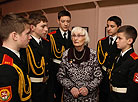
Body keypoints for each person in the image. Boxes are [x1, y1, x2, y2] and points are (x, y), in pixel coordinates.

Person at [57, 27, 102, 102]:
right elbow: (60, 75)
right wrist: (71, 87)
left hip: (89, 98)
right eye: (73, 36)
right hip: (70, 97)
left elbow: (98, 76)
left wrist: (88, 88)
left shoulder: (93, 54)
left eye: (79, 36)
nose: (75, 38)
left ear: (85, 38)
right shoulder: (66, 54)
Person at [20, 13, 53, 102]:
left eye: (46, 26)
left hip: (47, 85)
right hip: (34, 87)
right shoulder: (26, 45)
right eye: (43, 26)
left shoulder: (46, 43)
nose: (46, 29)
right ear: (32, 27)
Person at [0, 14, 32, 101]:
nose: (30, 37)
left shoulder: (19, 54)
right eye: (27, 33)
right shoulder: (5, 67)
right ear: (14, 36)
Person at [47, 10, 73, 102]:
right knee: (56, 96)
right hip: (55, 69)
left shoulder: (73, 35)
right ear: (58, 21)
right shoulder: (51, 36)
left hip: (70, 69)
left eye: (68, 21)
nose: (66, 24)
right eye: (63, 21)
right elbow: (49, 56)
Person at [109, 25, 138, 102]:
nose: (116, 41)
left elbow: (133, 89)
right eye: (117, 38)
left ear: (129, 41)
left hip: (124, 98)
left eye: (120, 38)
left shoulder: (134, 60)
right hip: (113, 96)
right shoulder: (118, 56)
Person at [97, 16, 122, 102]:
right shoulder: (102, 42)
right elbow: (99, 61)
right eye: (107, 26)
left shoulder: (122, 42)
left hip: (116, 76)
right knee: (103, 98)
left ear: (118, 27)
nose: (109, 29)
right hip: (103, 76)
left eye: (112, 26)